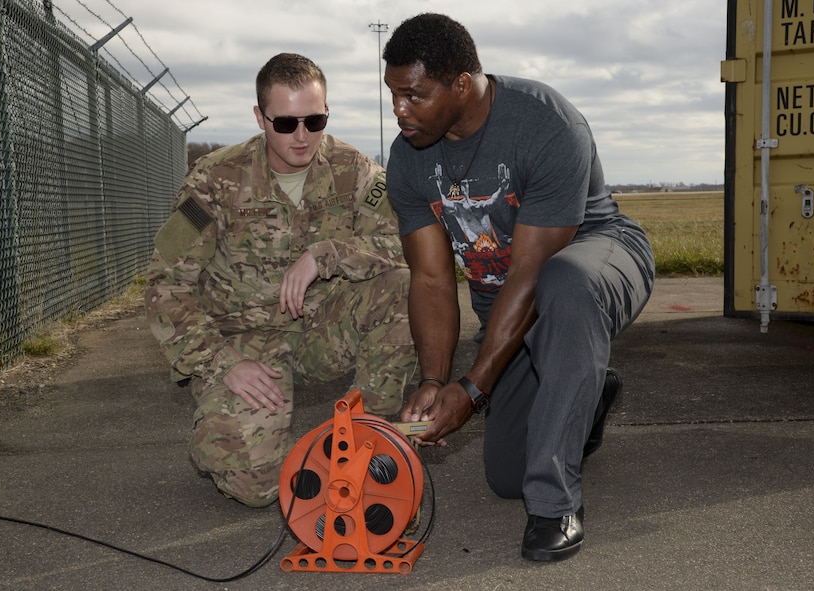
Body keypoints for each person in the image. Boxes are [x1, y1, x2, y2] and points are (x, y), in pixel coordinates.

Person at [382, 14, 655, 562]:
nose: (400, 110)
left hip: (595, 263)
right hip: (507, 299)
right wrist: (437, 380)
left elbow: (531, 274)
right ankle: (587, 392)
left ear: (462, 83)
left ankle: (556, 507)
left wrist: (474, 388)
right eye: (392, 95)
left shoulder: (545, 124)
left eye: (414, 95)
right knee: (508, 475)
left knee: (564, 284)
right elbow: (433, 278)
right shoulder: (408, 158)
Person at [144, 53, 416, 508]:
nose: (303, 136)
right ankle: (232, 425)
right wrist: (222, 362)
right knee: (257, 486)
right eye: (287, 123)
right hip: (245, 341)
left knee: (403, 287)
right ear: (260, 117)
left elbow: (402, 243)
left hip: (322, 331)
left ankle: (369, 440)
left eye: (316, 120)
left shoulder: (355, 171)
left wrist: (326, 255)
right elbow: (165, 284)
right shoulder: (214, 180)